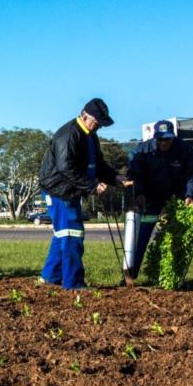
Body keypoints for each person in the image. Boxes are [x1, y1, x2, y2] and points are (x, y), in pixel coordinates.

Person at [38, 98, 128, 289]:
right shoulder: (68, 135)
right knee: (73, 234)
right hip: (59, 191)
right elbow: (66, 168)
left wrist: (114, 178)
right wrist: (91, 186)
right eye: (98, 123)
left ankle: (49, 277)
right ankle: (73, 283)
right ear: (85, 116)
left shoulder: (90, 135)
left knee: (62, 234)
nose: (100, 127)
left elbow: (99, 165)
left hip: (71, 191)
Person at [126, 120, 193, 278]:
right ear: (155, 138)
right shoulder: (142, 151)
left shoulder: (185, 151)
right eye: (160, 139)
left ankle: (171, 278)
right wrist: (139, 193)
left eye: (167, 139)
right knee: (139, 242)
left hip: (175, 202)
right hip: (148, 202)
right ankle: (130, 276)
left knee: (175, 242)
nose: (163, 142)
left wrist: (190, 195)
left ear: (173, 137)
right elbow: (134, 175)